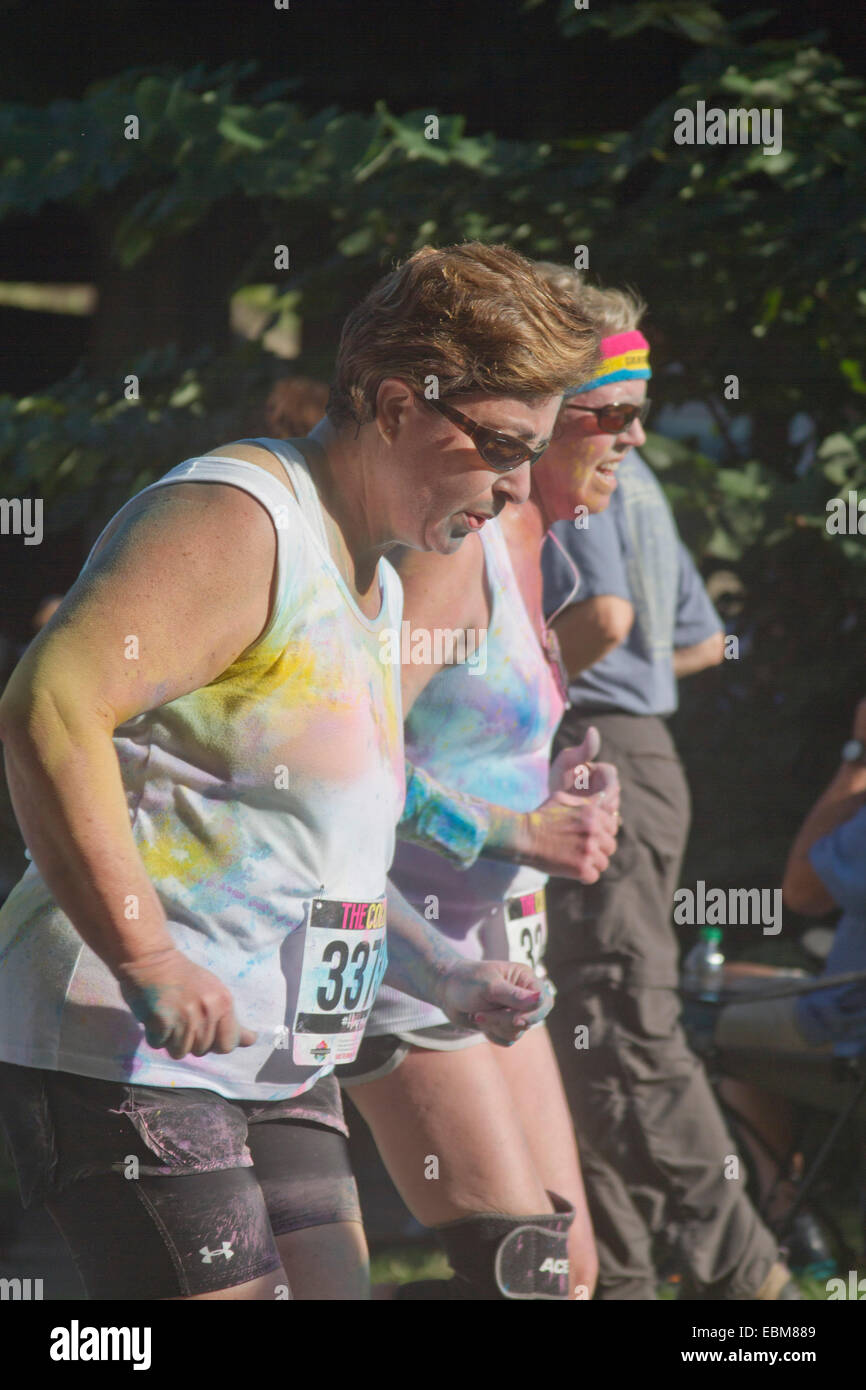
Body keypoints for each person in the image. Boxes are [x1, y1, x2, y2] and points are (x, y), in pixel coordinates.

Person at [0, 242, 591, 1301]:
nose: (513, 487)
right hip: (133, 1050)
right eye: (502, 446)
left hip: (281, 1057)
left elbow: (333, 858)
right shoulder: (240, 517)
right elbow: (49, 706)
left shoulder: (377, 582)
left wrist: (440, 971)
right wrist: (148, 957)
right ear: (399, 406)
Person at [339, 289, 624, 1301]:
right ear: (534, 421)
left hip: (493, 957)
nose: (630, 438)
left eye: (642, 408)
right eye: (607, 411)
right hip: (399, 948)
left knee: (568, 1274)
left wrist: (568, 782)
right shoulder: (450, 549)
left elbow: (473, 740)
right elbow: (349, 762)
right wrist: (516, 826)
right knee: (518, 1273)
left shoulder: (543, 546)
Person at [538, 264, 799, 1300]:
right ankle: (631, 1279)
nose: (632, 434)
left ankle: (750, 1283)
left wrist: (504, 675)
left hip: (597, 748)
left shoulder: (592, 463)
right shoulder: (636, 479)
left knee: (625, 1022)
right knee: (589, 1033)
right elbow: (694, 641)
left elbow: (602, 619)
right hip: (641, 747)